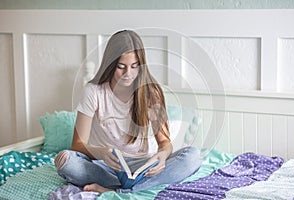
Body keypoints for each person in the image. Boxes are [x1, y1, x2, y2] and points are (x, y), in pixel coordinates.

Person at [54, 30, 202, 194]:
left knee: (193, 156)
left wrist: (162, 156)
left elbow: (165, 144)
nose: (128, 74)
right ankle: (127, 187)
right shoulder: (93, 91)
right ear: (110, 64)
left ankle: (117, 191)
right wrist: (100, 152)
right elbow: (77, 144)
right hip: (105, 166)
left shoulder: (150, 92)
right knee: (66, 161)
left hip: (141, 167)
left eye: (134, 66)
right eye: (121, 67)